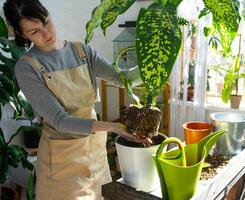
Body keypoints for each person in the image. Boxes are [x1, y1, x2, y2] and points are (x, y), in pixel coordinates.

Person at [3, 0, 148, 199]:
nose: (46, 33)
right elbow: (60, 121)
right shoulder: (27, 67)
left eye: (46, 22)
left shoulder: (82, 52)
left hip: (95, 151)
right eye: (34, 31)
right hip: (62, 160)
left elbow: (121, 79)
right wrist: (114, 127)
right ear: (22, 35)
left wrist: (155, 63)